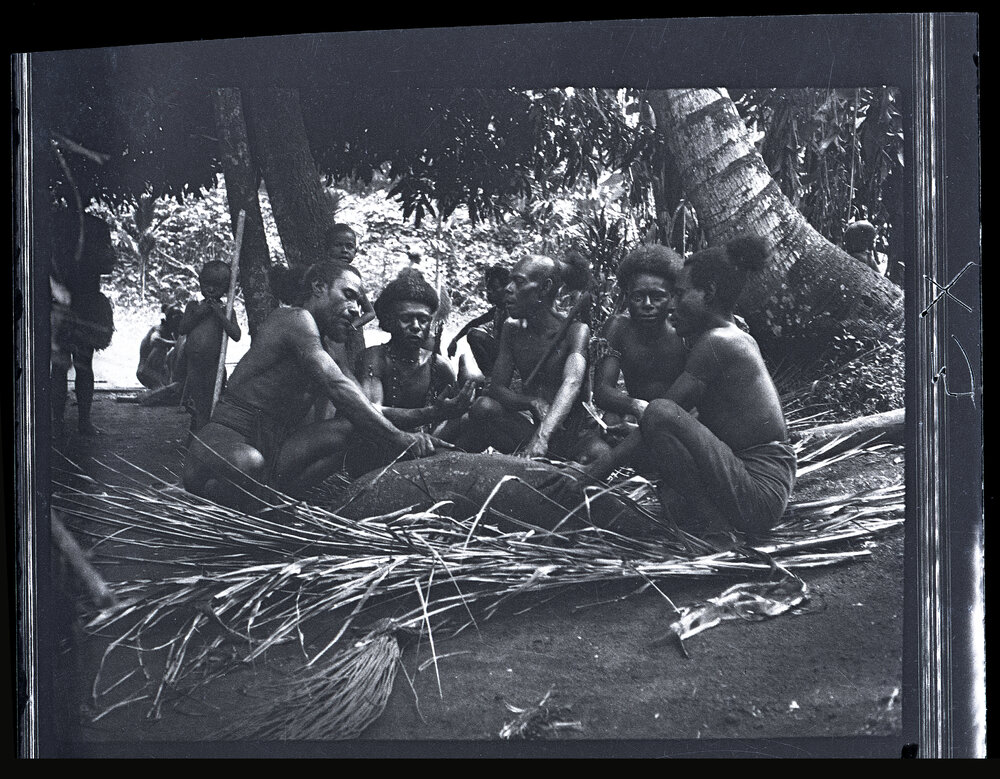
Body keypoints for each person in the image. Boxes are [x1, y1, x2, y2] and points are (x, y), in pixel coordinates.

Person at [547, 236, 796, 537]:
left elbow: (663, 413)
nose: (671, 305)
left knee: (660, 411)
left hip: (760, 493)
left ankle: (717, 531)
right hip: (744, 480)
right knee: (667, 484)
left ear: (709, 293)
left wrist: (591, 474)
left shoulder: (717, 343)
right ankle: (712, 523)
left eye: (678, 294)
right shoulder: (716, 337)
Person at [183, 260, 450, 511]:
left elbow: (364, 406)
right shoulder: (294, 319)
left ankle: (270, 499)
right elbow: (337, 387)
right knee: (249, 463)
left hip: (274, 448)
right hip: (228, 440)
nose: (356, 309)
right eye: (348, 295)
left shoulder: (328, 345)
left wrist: (429, 414)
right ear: (319, 288)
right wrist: (399, 438)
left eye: (358, 302)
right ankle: (248, 499)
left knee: (353, 429)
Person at [459, 254, 610, 464]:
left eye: (519, 282)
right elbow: (497, 389)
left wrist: (543, 437)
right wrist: (532, 402)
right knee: (483, 407)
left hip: (573, 438)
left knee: (600, 454)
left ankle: (545, 459)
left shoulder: (576, 331)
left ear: (544, 288)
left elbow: (572, 382)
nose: (508, 289)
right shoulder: (512, 329)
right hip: (533, 432)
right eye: (510, 281)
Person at [357, 268, 476, 458]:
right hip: (384, 443)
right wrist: (430, 413)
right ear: (389, 321)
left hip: (426, 444)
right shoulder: (375, 358)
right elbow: (370, 412)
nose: (415, 326)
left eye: (423, 320)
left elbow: (450, 416)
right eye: (406, 319)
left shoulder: (439, 365)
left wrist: (460, 406)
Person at [592, 244, 689, 442]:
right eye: (638, 297)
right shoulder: (618, 328)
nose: (647, 305)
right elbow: (602, 390)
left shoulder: (685, 330)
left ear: (671, 298)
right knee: (606, 427)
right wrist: (636, 406)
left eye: (657, 297)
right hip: (638, 414)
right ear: (627, 298)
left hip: (681, 421)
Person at [50, 212, 117, 438]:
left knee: (82, 364)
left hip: (86, 301)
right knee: (62, 366)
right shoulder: (57, 223)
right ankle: (59, 421)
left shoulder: (95, 226)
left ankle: (83, 421)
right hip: (63, 302)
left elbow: (108, 265)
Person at [177, 261, 243, 432]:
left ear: (226, 288)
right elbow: (182, 329)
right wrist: (199, 314)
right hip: (193, 366)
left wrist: (220, 315)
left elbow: (236, 335)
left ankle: (206, 435)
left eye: (217, 286)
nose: (211, 289)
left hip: (213, 366)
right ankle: (196, 434)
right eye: (207, 284)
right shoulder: (193, 307)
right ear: (200, 282)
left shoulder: (227, 311)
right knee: (197, 404)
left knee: (212, 403)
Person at [446, 263, 510, 374]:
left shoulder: (511, 310)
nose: (489, 292)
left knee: (474, 335)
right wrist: (455, 339)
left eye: (494, 288)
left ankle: (490, 376)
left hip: (512, 359)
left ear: (506, 289)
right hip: (503, 356)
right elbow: (475, 322)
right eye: (488, 288)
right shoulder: (497, 310)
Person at [137, 302, 184, 389]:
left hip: (161, 374)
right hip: (145, 372)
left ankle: (165, 384)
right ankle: (157, 384)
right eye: (178, 320)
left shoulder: (174, 332)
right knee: (161, 348)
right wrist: (176, 344)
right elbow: (154, 340)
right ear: (171, 320)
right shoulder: (159, 329)